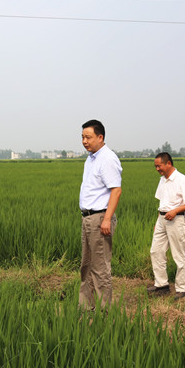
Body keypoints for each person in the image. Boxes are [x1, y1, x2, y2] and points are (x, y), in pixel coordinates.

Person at [78, 119, 122, 311]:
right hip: (88, 218)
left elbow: (116, 191)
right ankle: (86, 309)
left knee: (100, 268)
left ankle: (105, 312)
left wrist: (106, 219)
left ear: (100, 137)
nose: (84, 141)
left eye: (88, 137)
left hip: (99, 218)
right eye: (82, 137)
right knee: (86, 265)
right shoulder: (91, 158)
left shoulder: (107, 158)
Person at [147, 152, 185, 300]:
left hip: (177, 220)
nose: (157, 169)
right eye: (155, 166)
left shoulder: (182, 180)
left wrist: (175, 211)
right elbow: (162, 202)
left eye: (159, 166)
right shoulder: (162, 180)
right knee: (156, 251)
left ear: (168, 163)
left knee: (179, 254)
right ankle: (161, 285)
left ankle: (182, 287)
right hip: (162, 219)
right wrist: (158, 221)